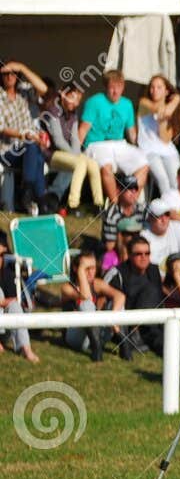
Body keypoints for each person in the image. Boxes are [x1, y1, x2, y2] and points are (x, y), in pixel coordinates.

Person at [82, 70, 150, 203]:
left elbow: (132, 133)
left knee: (143, 163)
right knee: (106, 167)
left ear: (123, 87)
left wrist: (145, 145)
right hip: (97, 144)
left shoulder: (127, 104)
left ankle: (130, 202)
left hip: (119, 143)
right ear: (106, 87)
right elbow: (83, 129)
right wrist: (78, 152)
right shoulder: (94, 101)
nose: (115, 91)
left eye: (119, 87)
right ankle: (116, 206)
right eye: (112, 87)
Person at [38, 83, 101, 211]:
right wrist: (76, 156)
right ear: (63, 94)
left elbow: (75, 138)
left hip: (68, 154)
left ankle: (98, 204)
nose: (76, 102)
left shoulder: (73, 114)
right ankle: (72, 203)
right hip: (51, 154)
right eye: (72, 97)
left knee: (93, 164)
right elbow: (58, 140)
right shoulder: (53, 111)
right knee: (79, 164)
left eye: (78, 99)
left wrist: (77, 154)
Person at [0, 66, 51, 212]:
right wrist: (23, 135)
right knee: (32, 148)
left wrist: (21, 66)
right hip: (7, 150)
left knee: (36, 154)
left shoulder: (24, 92)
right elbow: (2, 128)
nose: (9, 76)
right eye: (5, 73)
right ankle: (37, 198)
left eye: (13, 73)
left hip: (28, 146)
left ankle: (33, 198)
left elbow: (44, 89)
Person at [60, 249, 123, 361]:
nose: (90, 272)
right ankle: (96, 349)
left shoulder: (97, 283)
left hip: (98, 334)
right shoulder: (67, 288)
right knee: (86, 304)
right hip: (76, 338)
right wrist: (80, 271)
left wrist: (114, 323)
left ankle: (121, 340)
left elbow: (120, 296)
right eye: (86, 268)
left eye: (93, 268)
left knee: (116, 303)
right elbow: (85, 296)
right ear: (76, 269)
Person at [137, 73, 180, 198]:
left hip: (167, 151)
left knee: (176, 182)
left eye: (159, 87)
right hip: (148, 151)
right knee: (163, 180)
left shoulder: (169, 111)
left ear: (166, 91)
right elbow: (158, 109)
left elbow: (165, 139)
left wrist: (163, 120)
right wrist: (176, 100)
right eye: (152, 87)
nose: (154, 90)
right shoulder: (144, 103)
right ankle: (168, 211)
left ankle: (178, 210)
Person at [0, 235, 40, 363]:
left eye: (1, 256)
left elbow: (14, 300)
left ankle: (26, 349)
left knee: (15, 306)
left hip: (4, 326)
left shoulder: (7, 273)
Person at [142, 198, 180, 268]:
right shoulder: (143, 236)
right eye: (159, 215)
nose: (164, 219)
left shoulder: (178, 227)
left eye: (167, 214)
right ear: (149, 218)